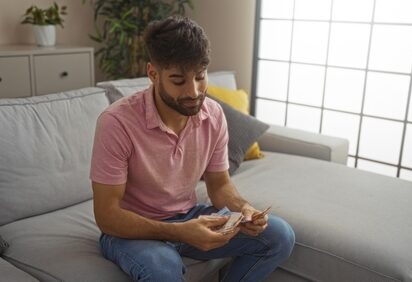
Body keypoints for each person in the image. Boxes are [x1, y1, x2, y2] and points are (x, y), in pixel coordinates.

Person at [90, 16, 295, 282]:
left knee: (280, 236)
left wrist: (244, 209)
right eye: (178, 81)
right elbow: (107, 216)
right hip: (132, 230)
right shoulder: (116, 122)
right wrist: (180, 232)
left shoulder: (214, 115)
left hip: (190, 216)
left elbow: (219, 186)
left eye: (200, 77)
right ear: (153, 74)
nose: (194, 91)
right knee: (162, 268)